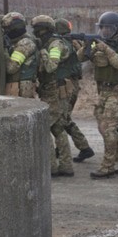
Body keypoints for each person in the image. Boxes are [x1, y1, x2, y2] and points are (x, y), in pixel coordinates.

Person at [77, 11, 118, 178]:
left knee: (108, 128)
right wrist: (87, 46)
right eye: (102, 28)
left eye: (108, 28)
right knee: (103, 126)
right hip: (104, 90)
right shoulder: (99, 43)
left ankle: (108, 166)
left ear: (116, 29)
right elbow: (80, 58)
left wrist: (105, 48)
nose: (104, 31)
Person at [32, 15, 74, 177]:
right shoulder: (49, 43)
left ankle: (51, 166)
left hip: (55, 91)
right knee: (57, 128)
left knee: (45, 128)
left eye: (38, 30)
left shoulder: (55, 44)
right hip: (49, 90)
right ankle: (66, 165)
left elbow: (50, 67)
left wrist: (41, 51)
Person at [54, 18, 95, 163]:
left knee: (63, 118)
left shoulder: (65, 44)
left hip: (68, 84)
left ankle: (84, 148)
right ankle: (64, 148)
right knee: (63, 118)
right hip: (71, 84)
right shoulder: (73, 43)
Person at [1, 12, 39, 98]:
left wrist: (5, 50)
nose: (5, 32)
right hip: (15, 87)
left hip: (22, 90)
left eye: (6, 29)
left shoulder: (25, 43)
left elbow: (11, 68)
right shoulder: (15, 42)